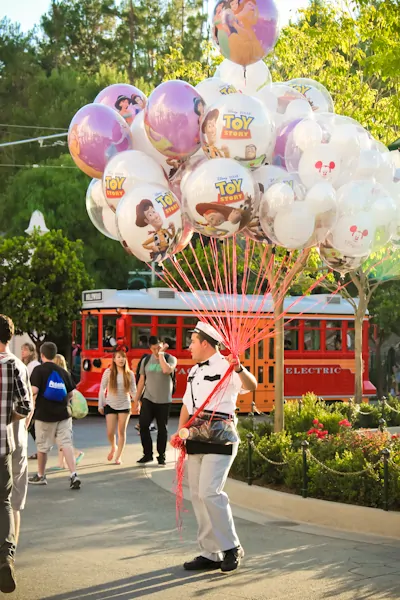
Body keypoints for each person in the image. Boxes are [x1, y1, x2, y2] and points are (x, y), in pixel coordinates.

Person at [171, 322, 257, 573]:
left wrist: (239, 367)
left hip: (220, 437)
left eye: (192, 342)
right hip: (196, 435)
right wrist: (180, 432)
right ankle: (210, 552)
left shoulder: (227, 365)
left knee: (210, 492)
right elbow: (188, 405)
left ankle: (232, 548)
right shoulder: (194, 372)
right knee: (197, 495)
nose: (189, 347)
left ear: (206, 344)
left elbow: (251, 386)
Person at [0, 315, 33, 593]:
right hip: (9, 441)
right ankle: (8, 557)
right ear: (9, 337)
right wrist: (8, 420)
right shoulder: (17, 366)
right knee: (8, 502)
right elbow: (26, 406)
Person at [28, 342, 81, 490]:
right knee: (66, 444)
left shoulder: (39, 370)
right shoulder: (63, 371)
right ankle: (74, 474)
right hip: (64, 414)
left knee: (42, 447)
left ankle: (40, 475)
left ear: (42, 354)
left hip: (44, 415)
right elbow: (70, 393)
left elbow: (34, 390)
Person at [135, 336, 177, 466]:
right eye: (153, 349)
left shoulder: (171, 359)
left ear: (162, 345)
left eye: (158, 348)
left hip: (164, 400)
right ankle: (147, 454)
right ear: (150, 348)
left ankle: (161, 455)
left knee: (162, 429)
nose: (155, 351)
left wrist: (161, 355)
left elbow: (166, 370)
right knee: (143, 426)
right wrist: (136, 399)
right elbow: (142, 381)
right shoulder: (146, 360)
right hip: (148, 398)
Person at [98, 350, 136, 464]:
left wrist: (138, 402)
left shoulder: (130, 374)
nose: (121, 359)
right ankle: (113, 446)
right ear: (114, 360)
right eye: (119, 357)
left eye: (123, 357)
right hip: (110, 404)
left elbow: (133, 390)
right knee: (110, 432)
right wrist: (101, 404)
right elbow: (102, 388)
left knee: (121, 431)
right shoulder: (108, 372)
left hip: (124, 405)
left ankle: (118, 456)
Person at [53, 354, 85, 470]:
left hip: (61, 410)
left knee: (60, 439)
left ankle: (76, 453)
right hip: (67, 409)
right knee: (62, 439)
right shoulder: (66, 375)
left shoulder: (57, 376)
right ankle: (61, 463)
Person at [21, 343, 40, 460]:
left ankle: (40, 449)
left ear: (31, 352)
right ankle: (40, 449)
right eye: (22, 349)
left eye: (25, 350)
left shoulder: (33, 365)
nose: (23, 352)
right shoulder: (27, 364)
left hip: (32, 400)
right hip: (31, 399)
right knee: (30, 428)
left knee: (28, 427)